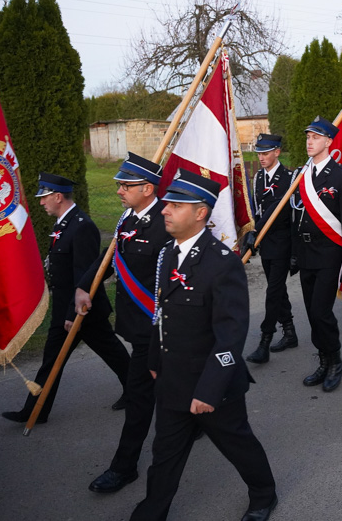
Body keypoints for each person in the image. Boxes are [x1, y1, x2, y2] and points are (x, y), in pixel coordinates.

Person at [130, 170, 277, 521]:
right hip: (171, 379)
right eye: (167, 203)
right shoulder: (167, 254)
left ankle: (263, 494)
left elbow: (231, 335)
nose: (165, 209)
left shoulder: (222, 264)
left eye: (176, 205)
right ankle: (151, 512)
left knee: (238, 445)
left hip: (211, 386)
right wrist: (154, 359)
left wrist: (210, 390)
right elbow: (160, 313)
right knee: (164, 455)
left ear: (200, 213)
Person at [1, 173, 130, 425]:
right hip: (67, 309)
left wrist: (72, 313)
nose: (41, 202)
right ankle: (35, 410)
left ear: (58, 196)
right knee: (56, 359)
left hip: (82, 310)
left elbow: (83, 276)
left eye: (44, 197)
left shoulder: (82, 226)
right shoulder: (64, 224)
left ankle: (139, 390)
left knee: (110, 353)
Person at [76, 153, 171, 494]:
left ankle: (124, 467)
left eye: (126, 185)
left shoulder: (168, 221)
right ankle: (199, 419)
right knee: (177, 385)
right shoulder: (128, 219)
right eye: (118, 184)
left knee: (139, 395)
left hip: (161, 326)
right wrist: (85, 286)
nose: (119, 190)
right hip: (136, 323)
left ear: (148, 188)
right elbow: (110, 257)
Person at [291, 116, 342, 392]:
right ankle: (324, 359)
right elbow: (294, 216)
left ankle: (335, 361)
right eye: (308, 137)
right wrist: (294, 253)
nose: (310, 142)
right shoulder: (301, 174)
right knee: (311, 312)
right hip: (306, 252)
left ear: (329, 141)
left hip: (331, 253)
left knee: (321, 311)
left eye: (316, 137)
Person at [241, 134, 295, 364]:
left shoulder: (289, 177)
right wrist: (252, 232)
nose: (261, 157)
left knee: (273, 289)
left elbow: (280, 210)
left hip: (283, 240)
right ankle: (290, 330)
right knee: (278, 287)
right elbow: (257, 209)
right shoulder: (258, 178)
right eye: (259, 153)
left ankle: (265, 339)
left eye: (265, 153)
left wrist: (258, 230)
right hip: (265, 242)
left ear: (277, 152)